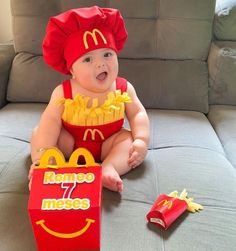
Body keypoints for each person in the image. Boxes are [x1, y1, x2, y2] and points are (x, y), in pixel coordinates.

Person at [28, 6, 150, 192]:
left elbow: (137, 113)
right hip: (71, 143)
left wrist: (141, 140)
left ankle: (108, 168)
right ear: (72, 70)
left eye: (107, 54)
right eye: (87, 59)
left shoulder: (123, 88)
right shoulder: (63, 92)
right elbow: (50, 122)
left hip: (109, 143)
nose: (101, 63)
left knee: (126, 140)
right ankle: (45, 164)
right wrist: (44, 150)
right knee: (40, 132)